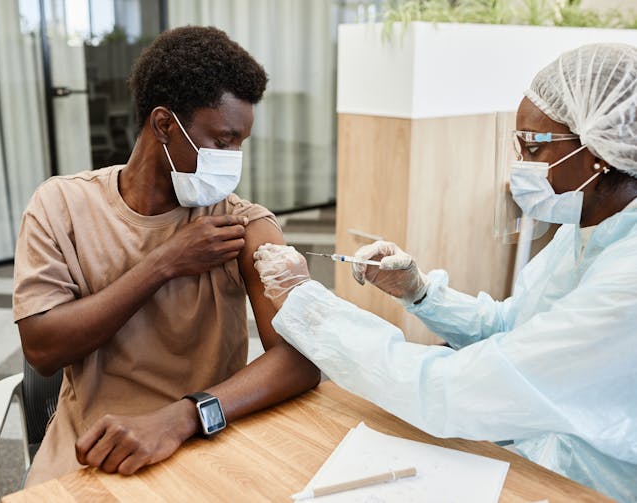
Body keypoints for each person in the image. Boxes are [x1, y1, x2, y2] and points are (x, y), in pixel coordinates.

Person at [253, 43, 637, 502]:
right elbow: (513, 327)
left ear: (600, 150)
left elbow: (450, 390)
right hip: (543, 456)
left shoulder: (628, 280)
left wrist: (307, 302)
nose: (521, 169)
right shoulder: (588, 228)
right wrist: (419, 293)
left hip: (595, 487)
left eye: (535, 148)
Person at [13, 26, 320, 486]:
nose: (233, 159)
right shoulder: (60, 207)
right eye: (221, 141)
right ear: (164, 125)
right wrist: (164, 263)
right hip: (92, 446)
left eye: (241, 144)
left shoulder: (244, 226)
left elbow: (301, 360)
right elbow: (42, 348)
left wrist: (183, 417)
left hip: (209, 434)